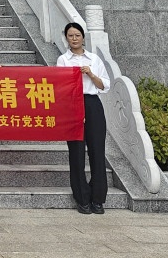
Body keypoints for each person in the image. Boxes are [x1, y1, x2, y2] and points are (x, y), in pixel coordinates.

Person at [57, 21, 111, 214]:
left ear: (83, 37)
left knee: (97, 152)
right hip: (73, 105)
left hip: (92, 104)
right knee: (77, 153)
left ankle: (98, 198)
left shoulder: (94, 59)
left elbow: (105, 85)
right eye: (70, 36)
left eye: (77, 35)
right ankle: (82, 198)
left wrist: (90, 74)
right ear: (66, 38)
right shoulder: (63, 60)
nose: (74, 39)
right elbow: (60, 85)